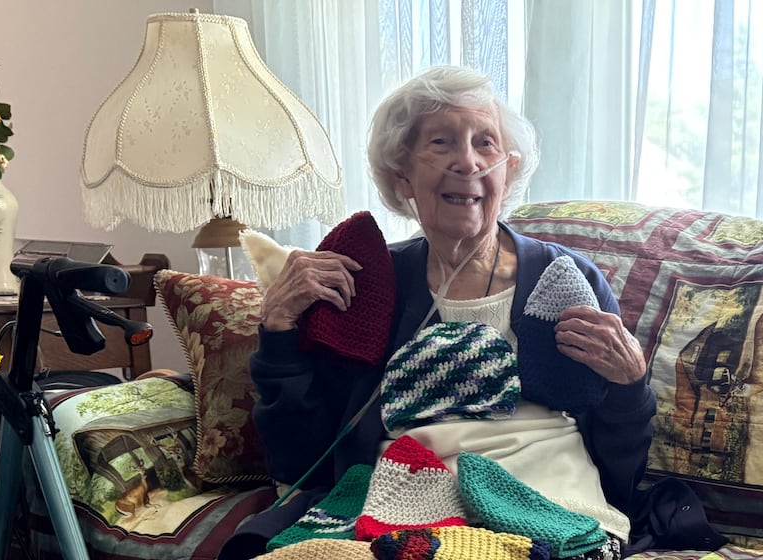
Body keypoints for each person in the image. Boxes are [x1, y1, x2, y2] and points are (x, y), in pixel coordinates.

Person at [219, 66, 661, 560]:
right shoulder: (368, 284)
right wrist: (279, 331)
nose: (467, 162)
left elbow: (621, 463)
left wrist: (629, 385)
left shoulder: (564, 278)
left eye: (485, 144)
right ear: (401, 174)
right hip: (398, 503)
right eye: (442, 142)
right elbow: (300, 455)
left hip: (549, 505)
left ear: (508, 170)